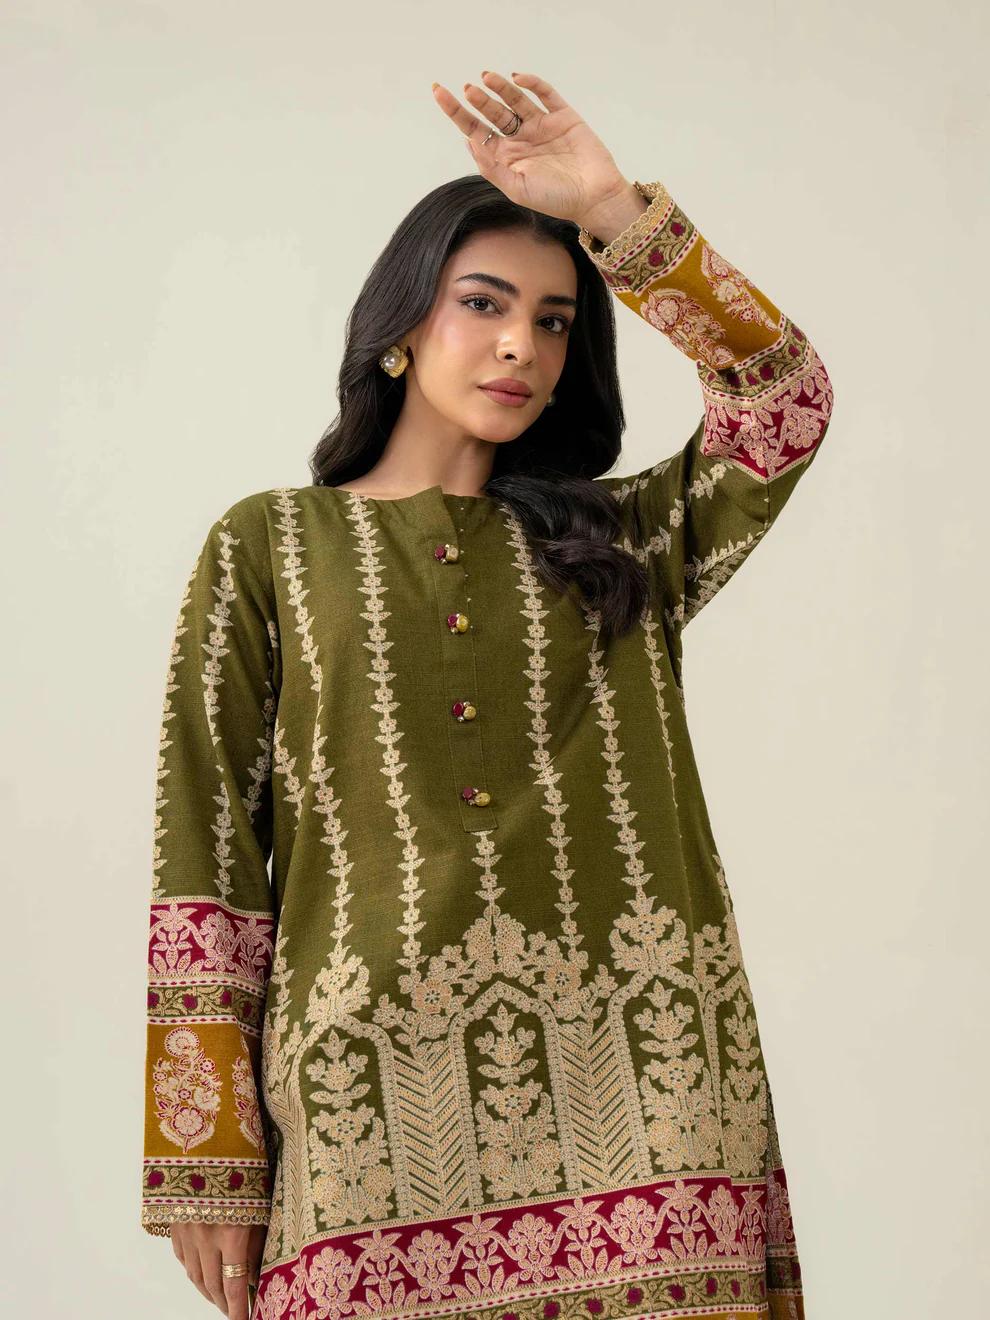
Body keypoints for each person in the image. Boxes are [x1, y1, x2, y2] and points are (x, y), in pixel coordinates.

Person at [140, 70, 832, 1320]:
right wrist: (206, 1156)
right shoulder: (270, 546)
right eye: (483, 303)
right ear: (401, 324)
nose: (522, 344)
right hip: (367, 1108)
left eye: (556, 322)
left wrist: (615, 213)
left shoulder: (621, 543)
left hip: (652, 1106)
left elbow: (782, 402)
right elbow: (207, 846)